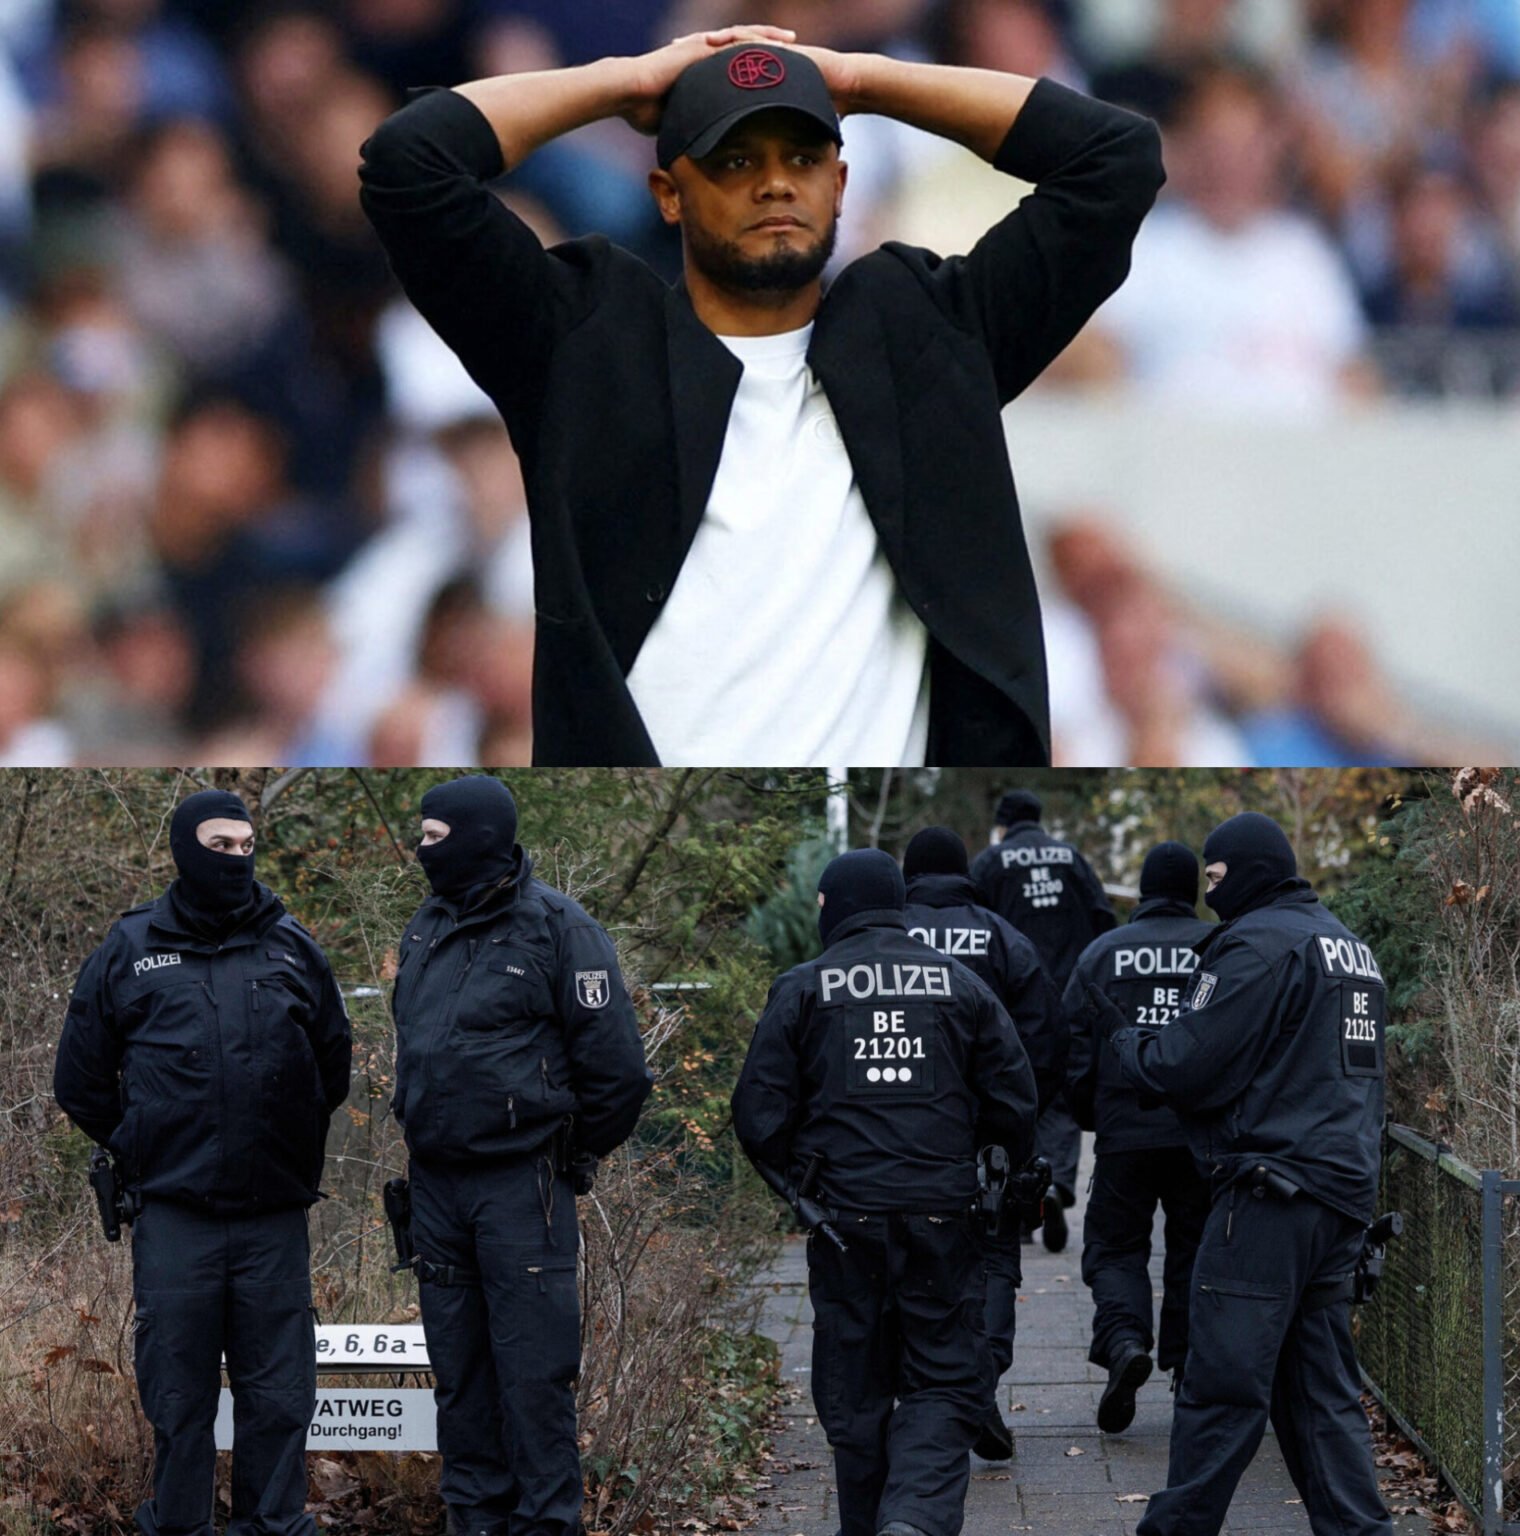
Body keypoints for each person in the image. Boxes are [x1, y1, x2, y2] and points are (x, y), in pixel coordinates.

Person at [358, 25, 1163, 766]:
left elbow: (1115, 157)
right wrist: (625, 81)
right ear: (668, 193)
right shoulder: (585, 348)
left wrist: (863, 79)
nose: (776, 184)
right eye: (736, 161)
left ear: (840, 184)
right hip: (654, 836)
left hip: (889, 839)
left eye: (803, 158)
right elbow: (408, 164)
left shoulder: (927, 338)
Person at [53, 788, 353, 1536]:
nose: (236, 859)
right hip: (175, 1215)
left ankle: (272, 1525)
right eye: (220, 846)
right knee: (178, 1396)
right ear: (186, 848)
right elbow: (80, 1080)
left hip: (272, 1216)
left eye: (246, 846)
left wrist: (283, 1139)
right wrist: (145, 1139)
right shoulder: (131, 948)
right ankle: (181, 1525)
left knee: (278, 1395)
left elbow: (332, 1065)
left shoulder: (291, 945)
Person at [733, 848, 1036, 1536]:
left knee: (855, 1391)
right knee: (944, 1381)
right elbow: (1015, 1100)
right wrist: (988, 1170)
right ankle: (914, 1519)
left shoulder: (804, 987)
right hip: (943, 1217)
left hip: (844, 1220)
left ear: (833, 907)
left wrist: (804, 1184)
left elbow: (757, 1115)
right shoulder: (961, 985)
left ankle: (874, 1525)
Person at [1108, 813, 1392, 1536]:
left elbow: (1187, 1063)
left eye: (1216, 876)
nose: (1209, 893)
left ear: (1248, 870)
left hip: (1270, 1196)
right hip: (1340, 1195)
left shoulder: (1257, 945)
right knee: (1320, 1395)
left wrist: (1130, 1047)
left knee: (1221, 1388)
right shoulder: (1349, 948)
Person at [391, 774, 653, 1536]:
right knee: (460, 1383)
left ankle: (546, 1523)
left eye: (434, 836)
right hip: (436, 1190)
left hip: (521, 1189)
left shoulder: (559, 929)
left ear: (477, 837)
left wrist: (572, 1150)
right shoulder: (425, 926)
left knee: (534, 1383)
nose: (421, 849)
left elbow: (619, 1073)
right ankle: (474, 1522)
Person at [900, 823, 1061, 1461]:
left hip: (898, 1132)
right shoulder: (1003, 938)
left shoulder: (885, 937)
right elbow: (1043, 1037)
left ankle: (933, 1389)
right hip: (988, 1133)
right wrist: (1021, 1119)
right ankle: (979, 1378)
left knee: (913, 1260)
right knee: (993, 1256)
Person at [1061, 840, 1212, 1434]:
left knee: (1115, 1247)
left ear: (1144, 890)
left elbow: (1074, 1044)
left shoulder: (1103, 953)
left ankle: (1125, 1339)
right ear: (1194, 889)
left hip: (1125, 1129)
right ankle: (1189, 1366)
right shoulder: (1219, 947)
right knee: (1194, 1248)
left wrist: (1092, 1112)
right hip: (1199, 1131)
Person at [970, 787, 1116, 1249]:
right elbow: (1103, 919)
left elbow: (972, 922)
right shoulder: (1071, 858)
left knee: (1012, 1093)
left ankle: (1018, 1198)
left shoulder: (990, 862)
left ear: (1003, 824)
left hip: (1011, 999)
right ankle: (1055, 1182)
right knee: (1061, 1094)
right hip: (1067, 994)